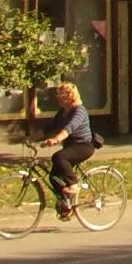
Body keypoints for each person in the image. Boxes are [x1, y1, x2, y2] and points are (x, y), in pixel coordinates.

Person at [41, 82, 94, 218]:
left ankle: (73, 184)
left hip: (83, 146)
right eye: (58, 94)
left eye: (61, 95)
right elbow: (50, 126)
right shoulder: (63, 112)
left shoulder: (79, 111)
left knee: (59, 157)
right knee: (54, 177)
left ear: (70, 97)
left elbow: (69, 128)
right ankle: (67, 205)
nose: (58, 97)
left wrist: (56, 139)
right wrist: (29, 137)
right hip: (71, 147)